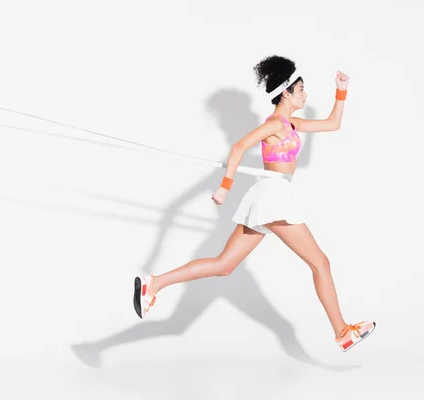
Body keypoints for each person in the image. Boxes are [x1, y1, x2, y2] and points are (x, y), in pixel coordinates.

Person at [134, 55, 375, 352]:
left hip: (271, 194)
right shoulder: (275, 124)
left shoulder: (291, 124)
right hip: (274, 196)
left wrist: (341, 91)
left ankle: (153, 284)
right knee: (320, 263)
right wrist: (225, 186)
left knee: (224, 265)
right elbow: (238, 147)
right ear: (286, 92)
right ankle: (342, 332)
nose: (305, 94)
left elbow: (333, 124)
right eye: (301, 89)